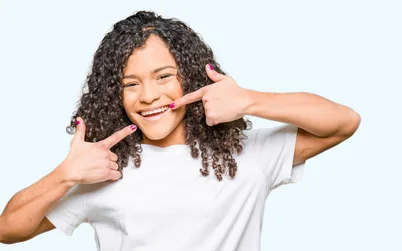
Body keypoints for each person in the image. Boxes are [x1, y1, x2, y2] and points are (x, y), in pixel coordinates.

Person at [0, 10, 360, 250]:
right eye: (131, 84)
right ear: (116, 95)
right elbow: (8, 229)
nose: (149, 96)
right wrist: (64, 175)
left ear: (189, 76)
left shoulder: (247, 154)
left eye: (163, 77)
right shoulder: (102, 170)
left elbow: (343, 122)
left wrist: (249, 100)